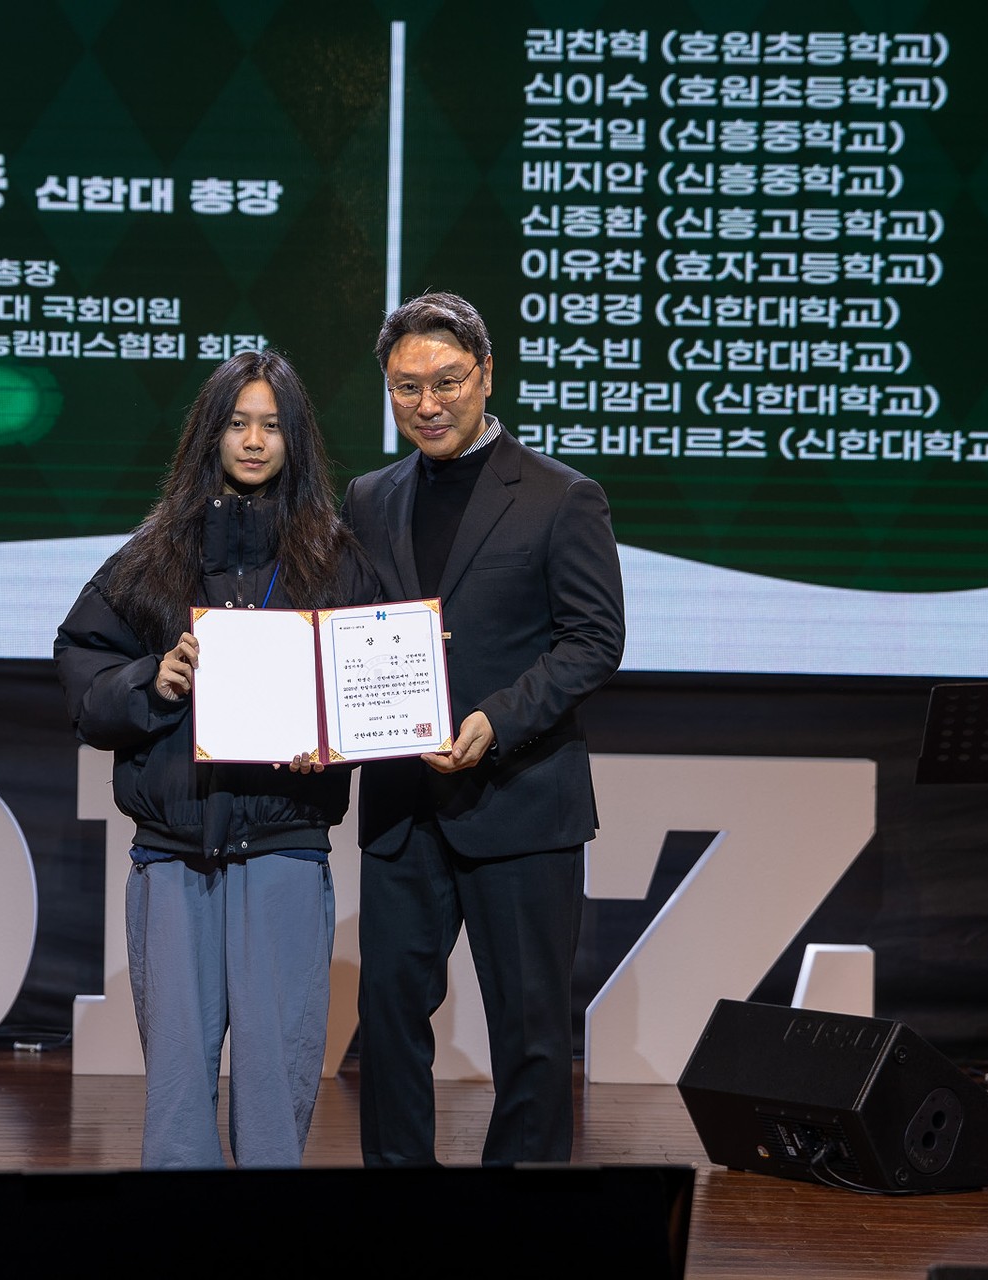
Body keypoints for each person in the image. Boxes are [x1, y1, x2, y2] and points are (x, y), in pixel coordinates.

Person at [55, 349, 375, 1169]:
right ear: (210, 434)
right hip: (173, 855)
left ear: (296, 440)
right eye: (238, 424)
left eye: (272, 425)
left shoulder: (335, 561)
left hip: (284, 848)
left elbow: (370, 692)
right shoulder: (151, 558)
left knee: (275, 1090)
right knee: (175, 1096)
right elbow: (85, 682)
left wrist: (330, 746)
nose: (254, 441)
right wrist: (152, 681)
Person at [345, 291, 625, 1165]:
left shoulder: (561, 497)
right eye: (406, 387)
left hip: (520, 801)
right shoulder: (368, 498)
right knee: (387, 1020)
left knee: (531, 1033)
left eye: (447, 381)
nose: (427, 404)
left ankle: (522, 1217)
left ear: (486, 375)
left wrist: (495, 721)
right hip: (402, 806)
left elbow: (594, 640)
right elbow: (346, 634)